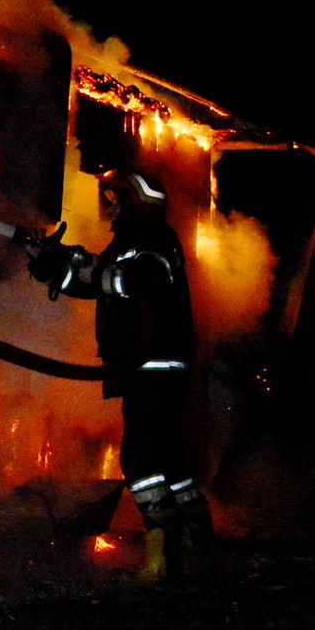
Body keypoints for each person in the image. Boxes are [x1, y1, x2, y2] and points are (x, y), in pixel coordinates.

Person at [29, 167, 211, 581]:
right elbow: (95, 281)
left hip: (153, 366)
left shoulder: (153, 238)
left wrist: (93, 271)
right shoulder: (133, 241)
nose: (106, 208)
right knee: (169, 459)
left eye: (111, 199)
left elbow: (142, 279)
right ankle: (196, 547)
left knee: (140, 459)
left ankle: (160, 559)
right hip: (150, 367)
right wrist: (53, 266)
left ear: (131, 202)